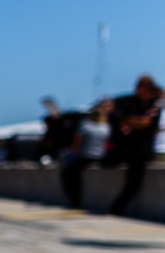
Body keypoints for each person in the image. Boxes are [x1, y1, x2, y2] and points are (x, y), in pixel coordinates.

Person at [108, 74, 162, 215]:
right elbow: (122, 120)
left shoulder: (156, 103)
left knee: (134, 183)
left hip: (143, 149)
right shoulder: (131, 102)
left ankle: (117, 208)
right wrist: (134, 122)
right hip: (129, 147)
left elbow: (147, 122)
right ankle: (116, 208)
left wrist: (132, 121)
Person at [60, 99, 112, 208]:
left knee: (68, 173)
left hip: (85, 156)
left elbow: (76, 143)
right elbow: (107, 144)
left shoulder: (85, 125)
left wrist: (74, 153)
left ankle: (75, 199)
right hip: (100, 157)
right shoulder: (106, 128)